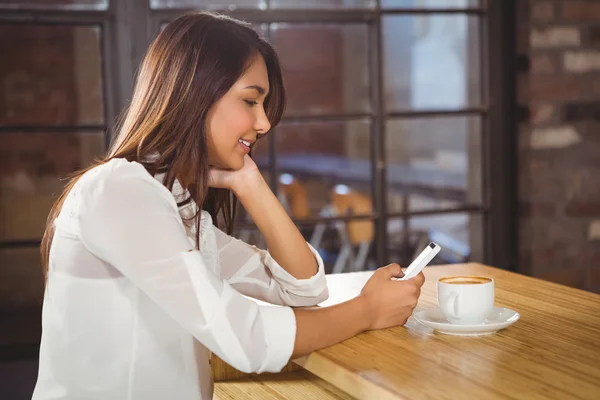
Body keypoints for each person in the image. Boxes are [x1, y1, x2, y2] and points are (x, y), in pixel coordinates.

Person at [32, 11, 425, 400]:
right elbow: (247, 339)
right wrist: (367, 311)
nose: (264, 123)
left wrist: (250, 184)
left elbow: (304, 289)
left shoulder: (171, 204)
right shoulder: (120, 193)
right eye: (251, 101)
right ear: (195, 93)